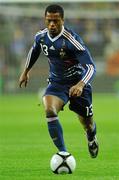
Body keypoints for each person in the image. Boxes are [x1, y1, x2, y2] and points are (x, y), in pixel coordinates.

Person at [19, 4, 99, 158]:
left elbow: (91, 67)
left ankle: (91, 136)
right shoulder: (41, 36)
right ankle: (63, 153)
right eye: (49, 21)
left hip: (78, 84)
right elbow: (34, 49)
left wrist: (81, 84)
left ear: (62, 20)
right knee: (49, 110)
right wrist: (26, 71)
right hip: (57, 83)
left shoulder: (72, 40)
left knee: (87, 124)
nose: (52, 24)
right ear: (45, 20)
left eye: (56, 21)